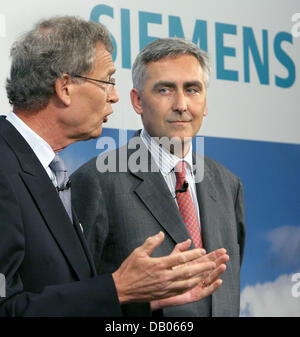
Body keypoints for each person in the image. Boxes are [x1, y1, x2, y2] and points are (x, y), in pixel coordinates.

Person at [0, 17, 228, 317]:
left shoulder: (46, 170)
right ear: (65, 87)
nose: (114, 96)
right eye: (107, 80)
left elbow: (63, 294)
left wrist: (141, 300)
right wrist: (116, 288)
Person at [71, 38, 245, 317]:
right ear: (137, 101)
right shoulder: (97, 181)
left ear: (205, 101)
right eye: (165, 90)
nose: (181, 105)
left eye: (192, 90)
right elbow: (75, 300)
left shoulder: (228, 185)